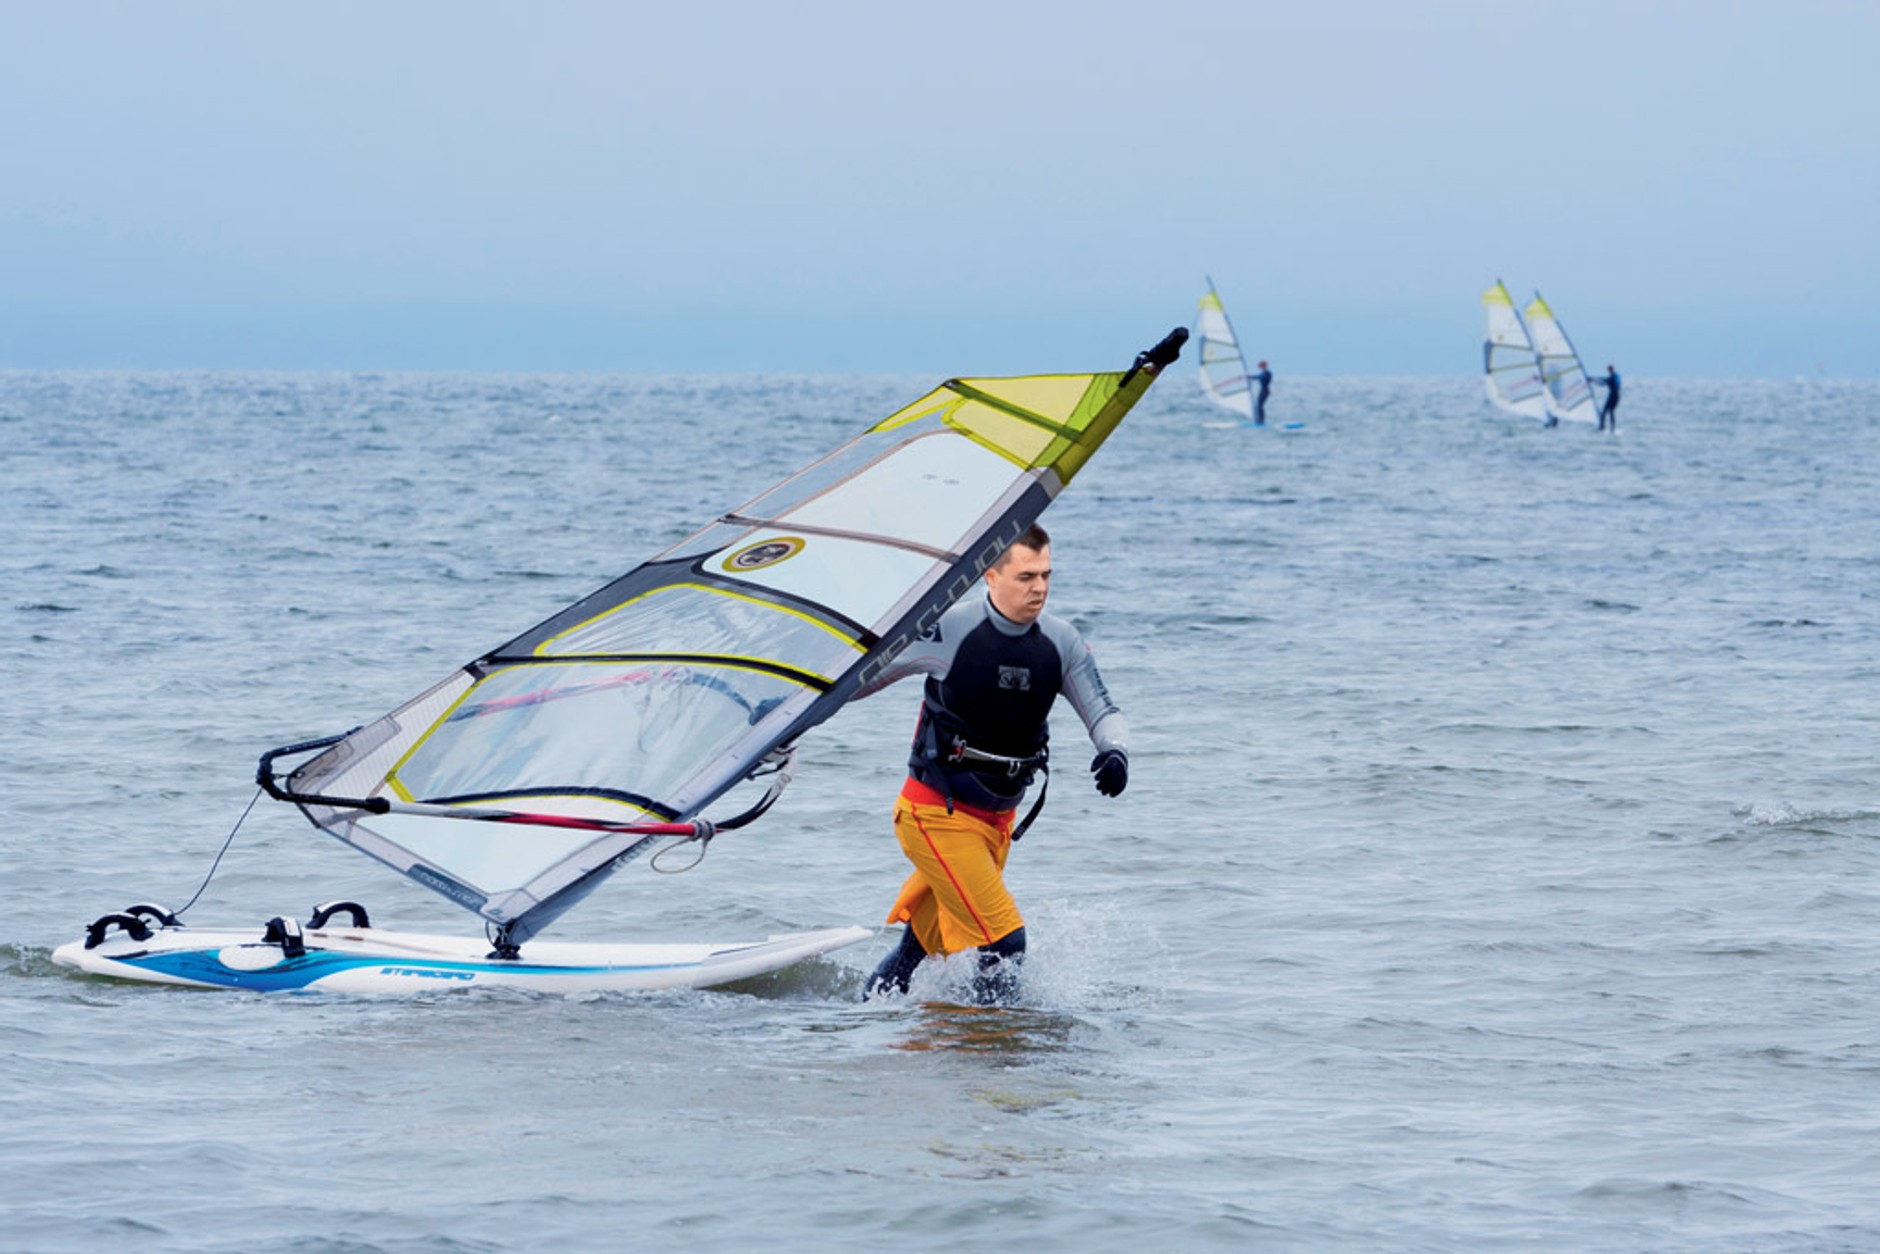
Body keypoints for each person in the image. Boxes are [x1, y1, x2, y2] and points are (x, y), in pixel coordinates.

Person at [854, 523, 1128, 1004]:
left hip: (996, 823)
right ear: (990, 575)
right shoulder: (950, 631)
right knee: (1005, 943)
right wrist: (786, 713)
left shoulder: (1060, 642)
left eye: (1046, 575)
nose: (1039, 588)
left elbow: (1102, 709)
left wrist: (1114, 751)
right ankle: (993, 1042)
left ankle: (859, 1017)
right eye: (1026, 576)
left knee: (917, 950)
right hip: (936, 815)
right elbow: (861, 679)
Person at [1592, 364, 1621, 432]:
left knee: (1606, 412)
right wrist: (1594, 380)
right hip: (1615, 396)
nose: (1609, 371)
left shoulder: (1614, 377)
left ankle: (1605, 428)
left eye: (1609, 369)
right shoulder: (1613, 377)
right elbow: (1603, 382)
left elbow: (1604, 381)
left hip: (1613, 396)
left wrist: (1593, 380)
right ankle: (1608, 428)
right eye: (1608, 370)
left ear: (1612, 369)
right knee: (1609, 411)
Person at [1252, 360, 1273, 425]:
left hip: (1265, 391)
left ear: (1264, 366)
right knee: (1259, 405)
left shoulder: (1267, 373)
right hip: (1263, 390)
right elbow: (1256, 377)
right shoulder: (1263, 372)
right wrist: (1248, 376)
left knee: (1260, 405)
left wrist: (1249, 376)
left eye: (1260, 365)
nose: (1259, 367)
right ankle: (1259, 420)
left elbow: (1260, 377)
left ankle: (1261, 421)